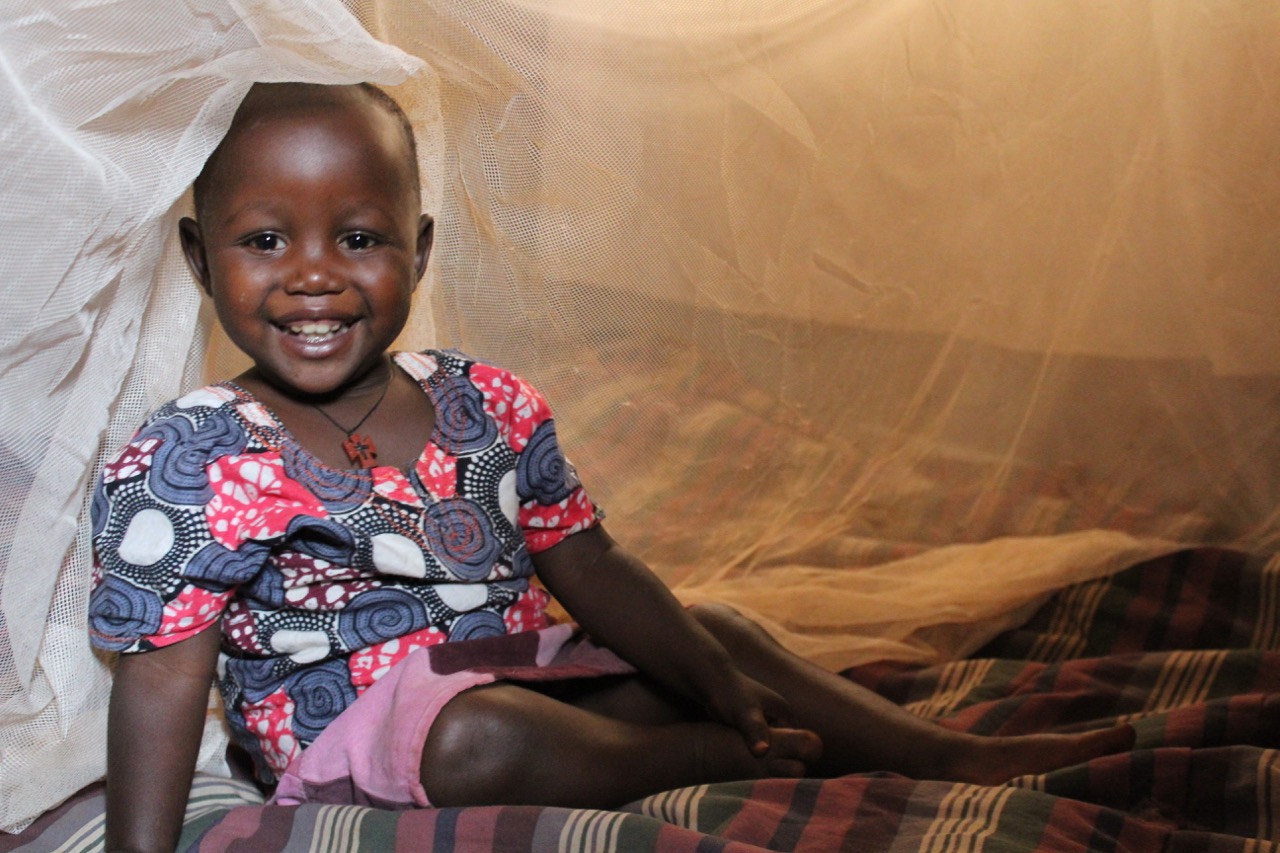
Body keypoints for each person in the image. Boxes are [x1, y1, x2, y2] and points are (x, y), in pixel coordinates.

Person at [88, 82, 1134, 853]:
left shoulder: (482, 400)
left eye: (359, 237)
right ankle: (719, 758)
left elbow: (589, 564)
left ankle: (929, 749)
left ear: (420, 248)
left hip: (514, 672)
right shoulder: (194, 450)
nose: (313, 274)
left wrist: (714, 681)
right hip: (355, 737)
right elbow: (166, 669)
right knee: (479, 745)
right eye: (264, 240)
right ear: (196, 260)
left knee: (715, 632)